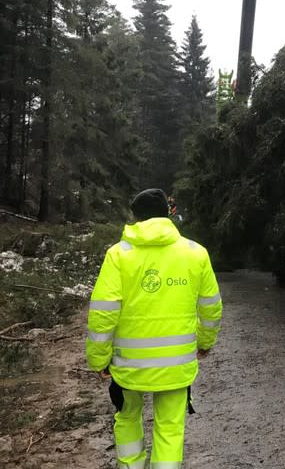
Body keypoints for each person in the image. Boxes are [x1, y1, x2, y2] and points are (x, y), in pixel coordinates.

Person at [86, 188, 222, 469]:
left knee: (127, 418)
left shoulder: (118, 255)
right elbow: (211, 308)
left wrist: (99, 359)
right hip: (177, 364)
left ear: (134, 217)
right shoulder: (196, 253)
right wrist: (205, 342)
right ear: (168, 213)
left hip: (128, 365)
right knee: (170, 428)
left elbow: (103, 314)